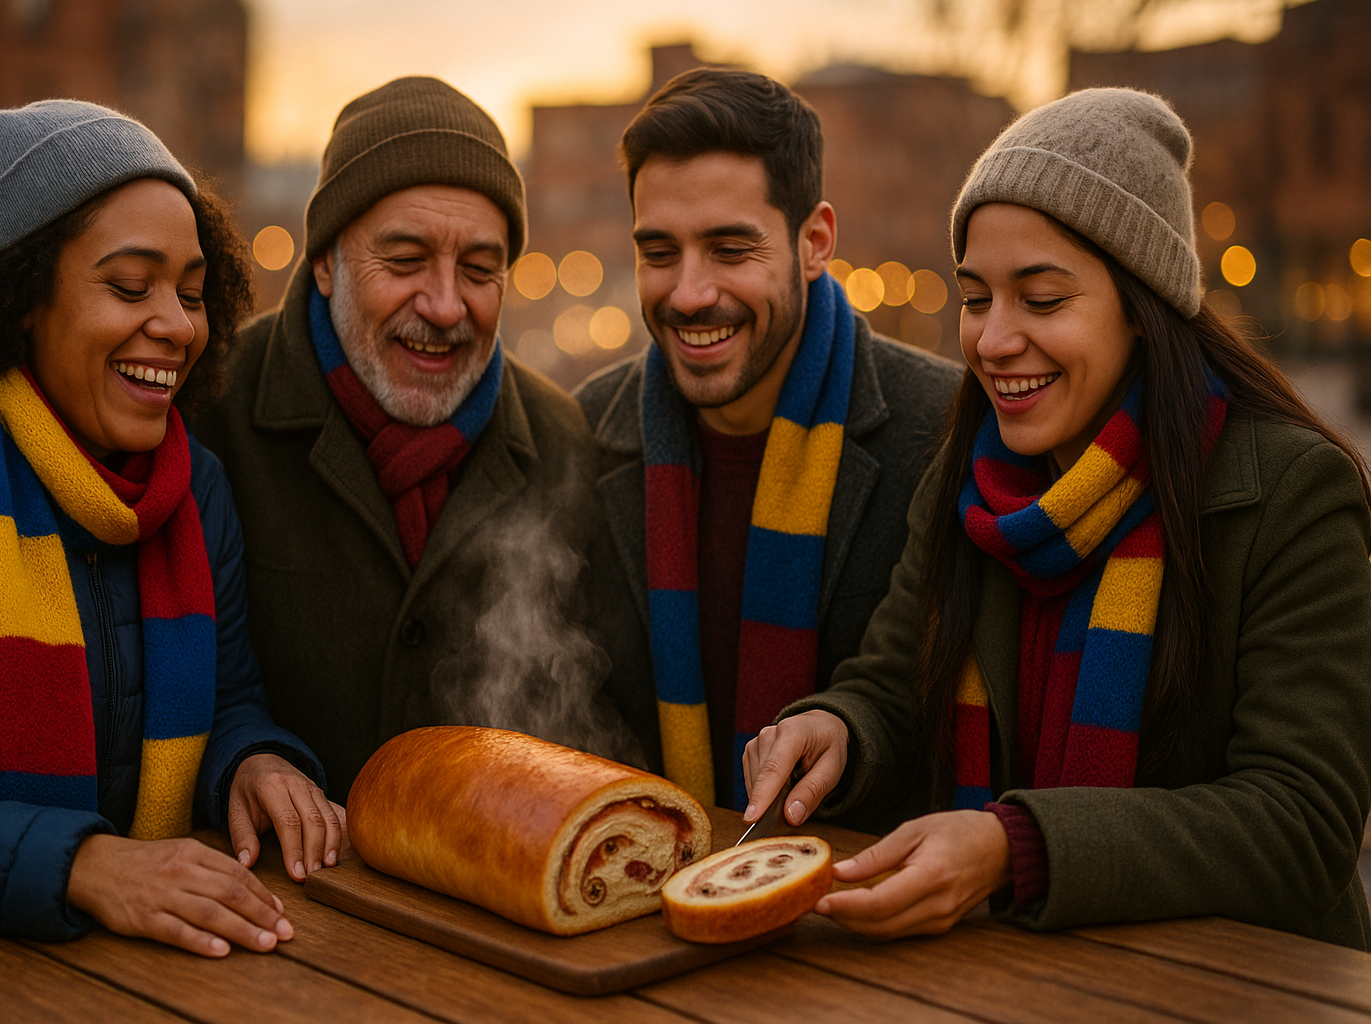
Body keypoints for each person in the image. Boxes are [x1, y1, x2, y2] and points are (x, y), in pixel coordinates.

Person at [743, 87, 1371, 949]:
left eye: (1041, 300)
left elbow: (1301, 822)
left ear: (1144, 308)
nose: (994, 341)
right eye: (976, 299)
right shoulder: (965, 481)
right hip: (1009, 976)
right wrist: (837, 730)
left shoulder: (1292, 494)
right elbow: (891, 687)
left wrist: (1018, 848)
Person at [0, 100, 343, 958]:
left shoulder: (194, 487)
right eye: (130, 286)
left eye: (191, 293)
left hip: (138, 975)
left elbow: (228, 700)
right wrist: (88, 865)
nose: (178, 326)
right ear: (14, 297)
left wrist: (252, 760)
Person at [187, 77, 657, 799]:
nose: (443, 306)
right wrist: (241, 762)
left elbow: (609, 714)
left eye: (479, 270)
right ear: (325, 262)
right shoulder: (211, 409)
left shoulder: (562, 442)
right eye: (405, 261)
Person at [574, 69, 959, 816]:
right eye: (659, 252)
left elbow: (931, 715)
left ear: (814, 243)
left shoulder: (941, 428)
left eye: (728, 249)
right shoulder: (583, 434)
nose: (689, 293)